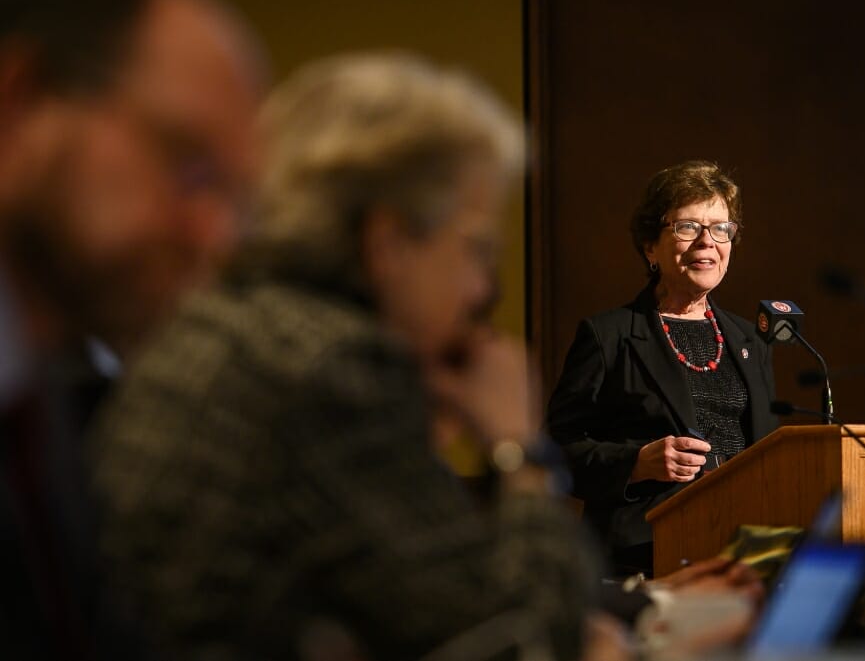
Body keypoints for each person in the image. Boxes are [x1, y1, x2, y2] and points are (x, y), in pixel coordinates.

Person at [89, 53, 602, 661]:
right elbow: (524, 647)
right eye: (477, 247)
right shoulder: (330, 367)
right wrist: (520, 449)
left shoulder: (229, 326)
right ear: (388, 244)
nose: (482, 289)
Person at [0, 0, 263, 656]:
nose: (212, 236)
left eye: (234, 199)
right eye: (190, 165)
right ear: (18, 103)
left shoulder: (49, 386)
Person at [546, 160, 778, 577]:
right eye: (688, 227)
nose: (707, 242)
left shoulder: (750, 341)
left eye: (721, 228)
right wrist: (636, 463)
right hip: (647, 556)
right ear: (650, 246)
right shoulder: (609, 336)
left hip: (744, 556)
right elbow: (557, 452)